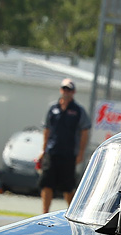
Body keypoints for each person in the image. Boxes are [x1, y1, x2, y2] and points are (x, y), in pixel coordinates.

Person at [38, 78, 91, 213]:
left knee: (67, 187)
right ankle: (44, 213)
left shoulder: (78, 110)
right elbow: (47, 129)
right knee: (47, 183)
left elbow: (84, 132)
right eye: (64, 89)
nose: (66, 92)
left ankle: (72, 213)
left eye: (69, 89)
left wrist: (80, 153)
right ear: (61, 90)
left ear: (74, 92)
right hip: (52, 151)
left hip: (68, 154)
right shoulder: (53, 108)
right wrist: (43, 150)